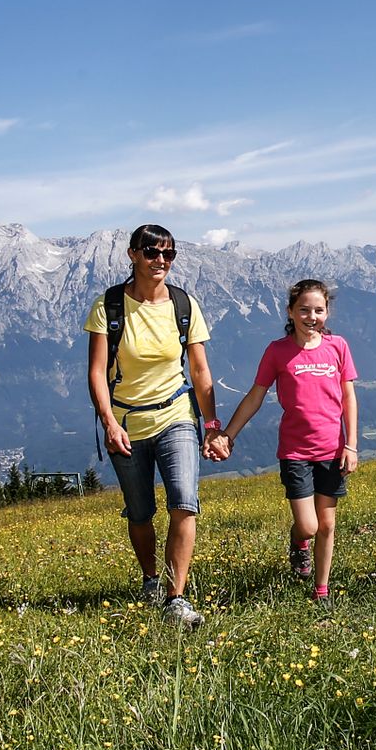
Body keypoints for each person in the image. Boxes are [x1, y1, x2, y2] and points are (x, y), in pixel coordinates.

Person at [84, 224, 226, 630]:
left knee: (184, 501)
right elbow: (96, 373)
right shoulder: (109, 306)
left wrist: (212, 424)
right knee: (141, 512)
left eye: (168, 253)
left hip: (176, 415)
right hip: (126, 422)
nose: (160, 260)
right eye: (151, 252)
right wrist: (109, 423)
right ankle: (150, 578)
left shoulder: (183, 305)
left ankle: (175, 597)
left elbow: (200, 370)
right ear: (132, 254)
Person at [210, 280, 359, 602]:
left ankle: (321, 590)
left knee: (327, 525)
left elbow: (349, 396)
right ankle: (299, 542)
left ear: (327, 312)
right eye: (304, 310)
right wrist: (228, 435)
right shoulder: (278, 351)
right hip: (295, 452)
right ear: (290, 312)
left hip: (332, 449)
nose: (311, 316)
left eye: (318, 310)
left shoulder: (338, 347)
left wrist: (352, 445)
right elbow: (255, 396)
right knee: (308, 525)